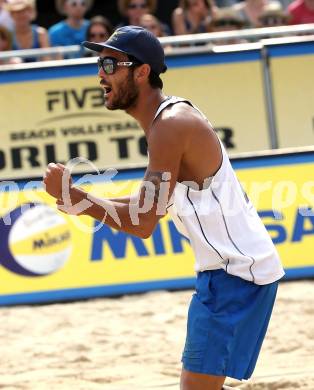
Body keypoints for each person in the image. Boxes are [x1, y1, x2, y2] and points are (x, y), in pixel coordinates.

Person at [43, 25, 285, 390]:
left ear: (141, 72)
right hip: (231, 273)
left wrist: (77, 200)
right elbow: (147, 206)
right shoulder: (166, 123)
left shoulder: (170, 126)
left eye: (109, 64)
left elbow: (142, 224)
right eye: (99, 64)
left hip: (236, 276)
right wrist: (77, 198)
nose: (99, 75)